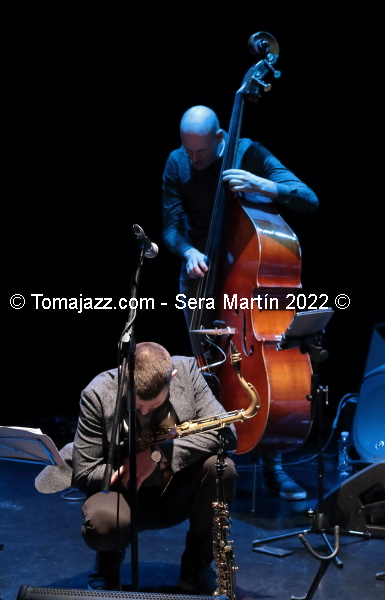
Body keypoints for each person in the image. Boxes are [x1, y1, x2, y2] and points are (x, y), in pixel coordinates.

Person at [162, 105, 319, 501]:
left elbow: (308, 198)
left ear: (220, 138)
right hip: (200, 278)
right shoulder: (177, 163)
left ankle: (272, 466)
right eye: (188, 150)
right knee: (207, 373)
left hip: (247, 279)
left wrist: (263, 185)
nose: (193, 159)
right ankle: (210, 467)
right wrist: (187, 251)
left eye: (201, 152)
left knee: (256, 372)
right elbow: (171, 226)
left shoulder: (250, 153)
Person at [72, 341, 237, 592]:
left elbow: (227, 433)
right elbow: (84, 472)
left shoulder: (187, 372)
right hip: (121, 492)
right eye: (138, 406)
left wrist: (156, 455)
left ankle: (194, 573)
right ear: (123, 375)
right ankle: (107, 568)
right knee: (104, 524)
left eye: (154, 406)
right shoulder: (97, 392)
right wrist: (127, 467)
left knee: (222, 468)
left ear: (172, 377)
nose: (145, 411)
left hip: (174, 488)